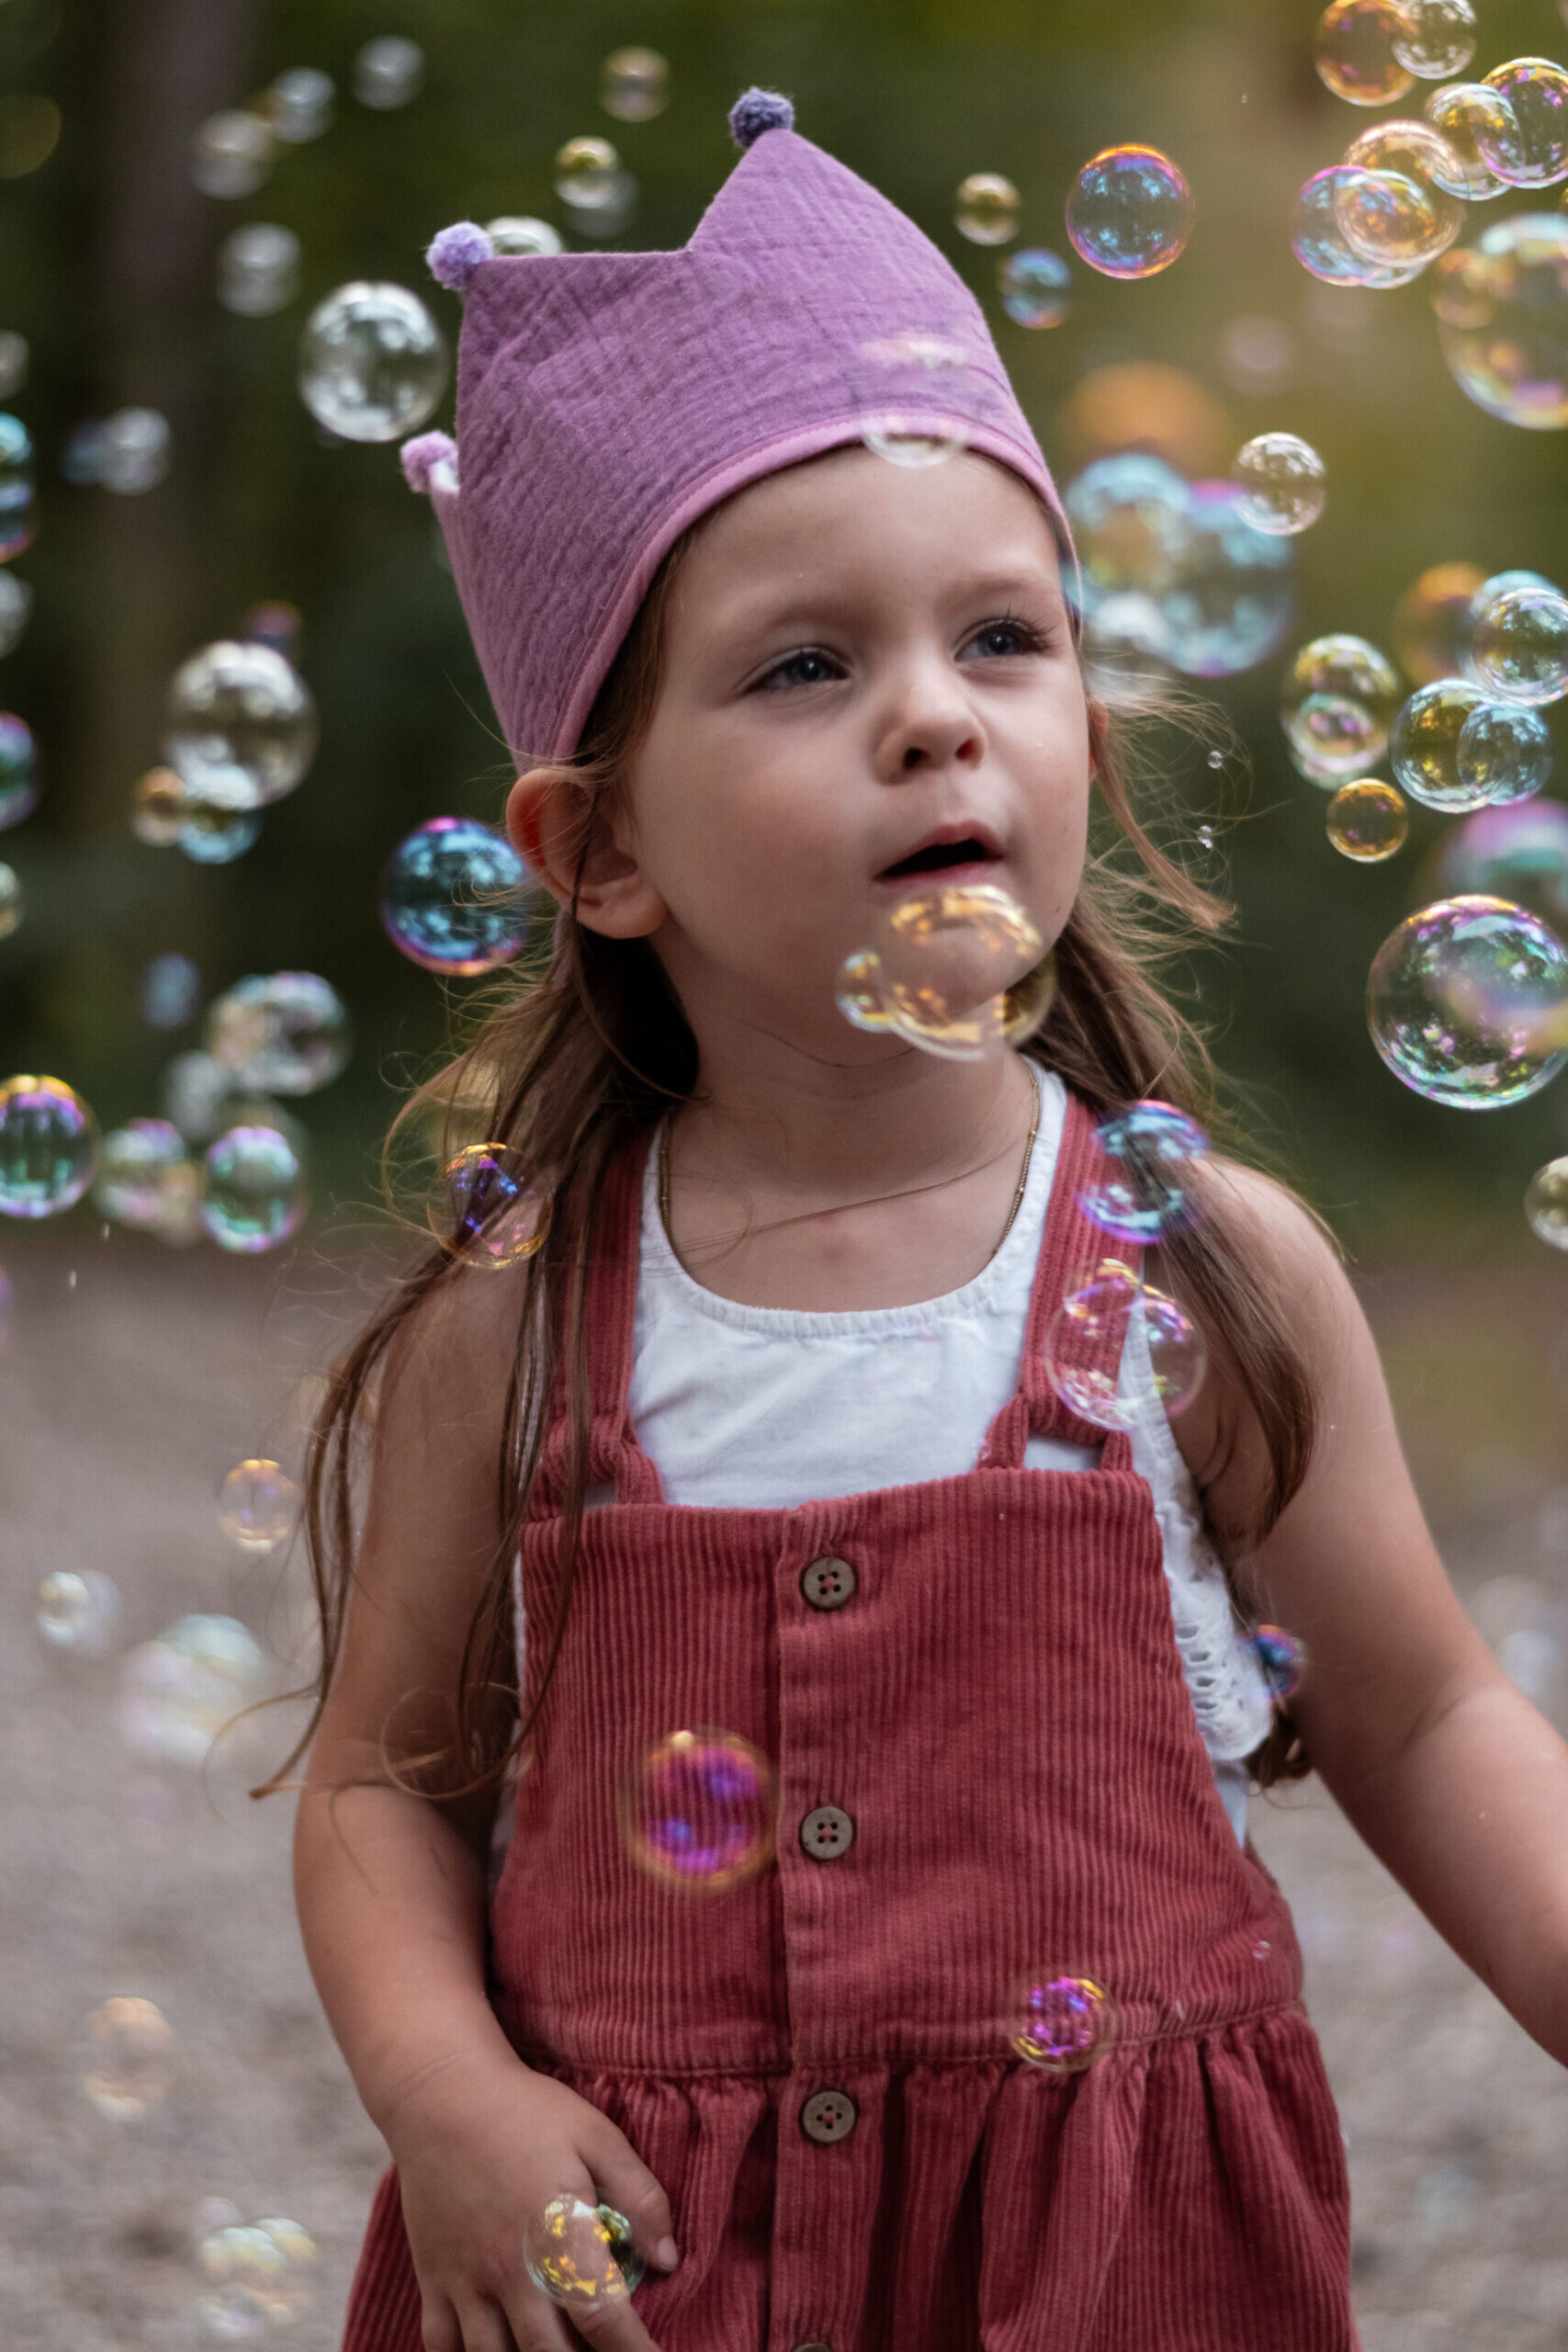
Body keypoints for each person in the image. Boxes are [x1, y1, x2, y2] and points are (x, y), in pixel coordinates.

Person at [280, 92, 1568, 2352]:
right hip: (647, 2287)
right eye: (804, 666)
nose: (928, 723)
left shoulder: (1202, 1272)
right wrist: (449, 2095)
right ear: (593, 849)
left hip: (1109, 2274)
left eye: (1001, 637)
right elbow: (387, 1777)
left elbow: (1427, 1704)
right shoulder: (526, 1318)